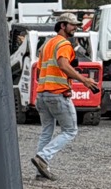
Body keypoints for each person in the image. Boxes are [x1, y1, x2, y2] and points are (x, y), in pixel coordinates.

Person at [31, 14, 97, 180]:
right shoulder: (64, 44)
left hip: (42, 94)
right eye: (72, 25)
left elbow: (42, 68)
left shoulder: (47, 44)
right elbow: (63, 65)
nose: (75, 28)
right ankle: (43, 157)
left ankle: (41, 170)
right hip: (57, 94)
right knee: (70, 130)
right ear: (62, 25)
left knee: (46, 131)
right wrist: (84, 80)